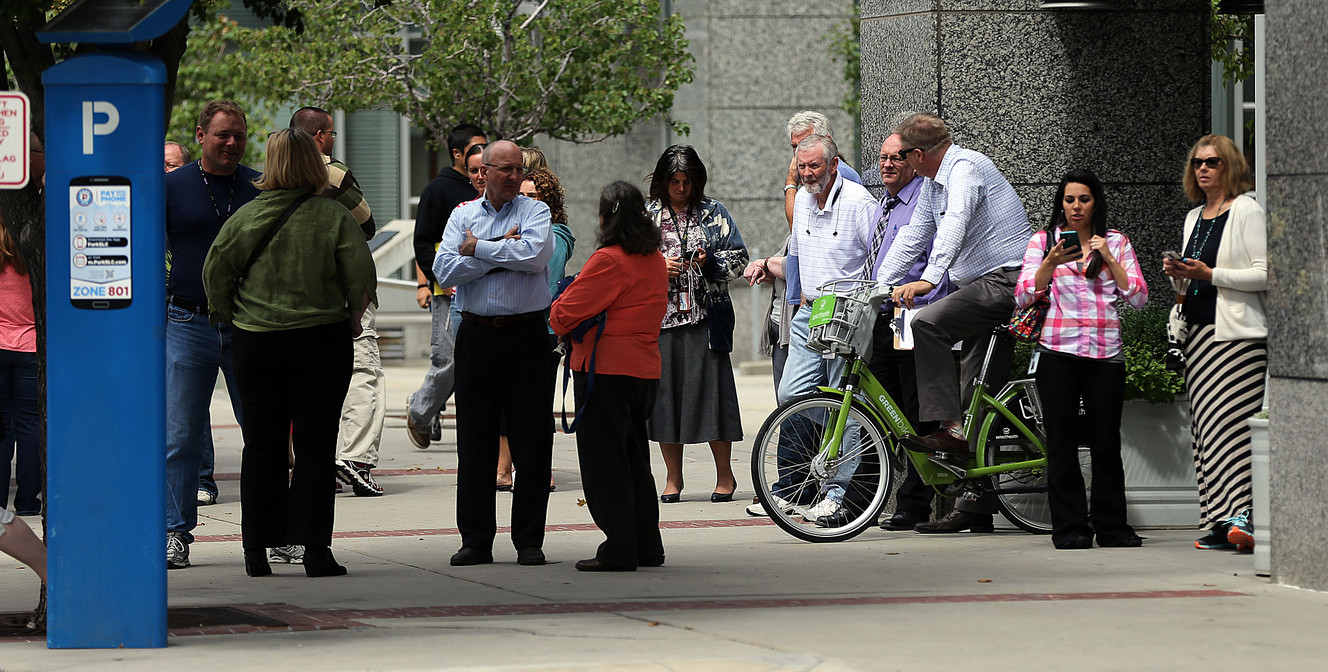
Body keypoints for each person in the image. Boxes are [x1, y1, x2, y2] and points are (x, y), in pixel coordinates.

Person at [203, 127, 377, 578]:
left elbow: (214, 273)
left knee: (262, 446)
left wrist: (229, 314)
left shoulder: (245, 217)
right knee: (316, 446)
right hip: (320, 340)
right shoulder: (334, 216)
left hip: (256, 342)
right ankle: (316, 550)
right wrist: (353, 317)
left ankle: (256, 551)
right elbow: (361, 275)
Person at [877, 112, 1031, 534]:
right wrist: (874, 286)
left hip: (1005, 279)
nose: (903, 165)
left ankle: (949, 427)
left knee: (927, 323)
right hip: (981, 286)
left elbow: (956, 224)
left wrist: (929, 279)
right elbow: (913, 235)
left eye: (905, 156)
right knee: (976, 394)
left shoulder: (964, 169)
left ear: (918, 153)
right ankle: (975, 507)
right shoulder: (932, 182)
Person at [434, 140, 555, 568]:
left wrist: (478, 248)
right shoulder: (461, 215)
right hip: (477, 336)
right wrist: (502, 249)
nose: (512, 177)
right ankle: (475, 540)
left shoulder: (535, 212)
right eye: (503, 170)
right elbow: (445, 270)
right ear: (483, 172)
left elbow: (535, 256)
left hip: (527, 337)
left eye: (517, 169)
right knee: (475, 440)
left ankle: (528, 540)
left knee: (532, 441)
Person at [1015, 169, 1148, 549]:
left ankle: (1112, 527)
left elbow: (1138, 296)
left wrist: (1108, 257)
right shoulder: (1043, 242)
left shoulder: (1117, 243)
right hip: (1058, 353)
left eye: (1084, 200)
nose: (1076, 207)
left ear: (1096, 203)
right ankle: (1070, 528)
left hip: (1106, 355)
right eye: (1070, 199)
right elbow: (1023, 295)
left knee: (1106, 442)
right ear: (1061, 202)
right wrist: (1051, 263)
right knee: (1061, 442)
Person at [746, 134, 876, 520]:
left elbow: (878, 260)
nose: (806, 174)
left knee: (842, 400)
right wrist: (786, 286)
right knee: (791, 393)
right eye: (801, 167)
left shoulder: (859, 203)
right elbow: (798, 256)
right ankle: (860, 430)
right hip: (809, 310)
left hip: (846, 310)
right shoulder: (802, 200)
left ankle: (836, 494)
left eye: (814, 166)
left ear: (833, 166)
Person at [550, 181, 668, 571]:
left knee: (605, 464)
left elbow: (563, 314)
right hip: (643, 370)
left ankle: (619, 546)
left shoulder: (608, 260)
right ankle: (645, 544)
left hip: (604, 370)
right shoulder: (653, 258)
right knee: (634, 458)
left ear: (605, 218)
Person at [164, 100, 260, 568]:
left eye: (238, 135)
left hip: (249, 324)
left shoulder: (260, 186)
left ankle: (271, 531)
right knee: (180, 435)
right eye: (222, 134)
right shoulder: (172, 187)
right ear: (200, 135)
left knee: (261, 432)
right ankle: (174, 532)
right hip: (187, 321)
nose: (231, 143)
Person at [1163, 135, 1267, 552]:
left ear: (1230, 167)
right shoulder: (1194, 217)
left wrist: (1212, 274)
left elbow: (1265, 274)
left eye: (1213, 163)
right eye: (1197, 164)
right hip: (1200, 335)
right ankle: (1220, 520)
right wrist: (1180, 273)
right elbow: (1194, 279)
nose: (1203, 169)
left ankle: (1245, 519)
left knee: (1231, 430)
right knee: (1206, 433)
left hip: (1238, 338)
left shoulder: (1247, 210)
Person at [289, 106, 385, 499]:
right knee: (363, 369)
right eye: (330, 133)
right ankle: (355, 457)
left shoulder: (269, 177)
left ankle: (313, 462)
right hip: (343, 288)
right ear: (318, 136)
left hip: (292, 293)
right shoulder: (334, 172)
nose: (333, 140)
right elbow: (367, 224)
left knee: (306, 380)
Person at [644, 145, 748, 504]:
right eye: (675, 181)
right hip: (660, 322)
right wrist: (658, 267)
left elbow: (740, 260)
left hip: (706, 319)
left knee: (713, 399)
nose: (681, 188)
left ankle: (725, 476)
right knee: (665, 400)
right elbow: (627, 263)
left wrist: (709, 262)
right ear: (662, 181)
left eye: (688, 181)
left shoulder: (713, 212)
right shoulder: (647, 216)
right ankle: (674, 479)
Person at [866, 133, 952, 531]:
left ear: (914, 161)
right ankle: (892, 495)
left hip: (911, 316)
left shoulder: (922, 200)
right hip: (882, 318)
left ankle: (915, 504)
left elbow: (933, 260)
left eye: (897, 158)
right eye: (882, 157)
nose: (887, 164)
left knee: (916, 413)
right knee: (887, 411)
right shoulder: (886, 204)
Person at [408, 124, 488, 449]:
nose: (482, 174)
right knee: (448, 359)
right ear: (458, 156)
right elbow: (422, 243)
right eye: (474, 168)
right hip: (447, 293)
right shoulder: (439, 191)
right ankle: (421, 408)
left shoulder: (498, 195)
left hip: (483, 293)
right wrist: (433, 281)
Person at [496, 168, 573, 492]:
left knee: (537, 403)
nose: (525, 201)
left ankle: (540, 469)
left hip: (542, 330)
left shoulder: (556, 233)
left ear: (548, 202)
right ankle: (503, 469)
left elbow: (543, 279)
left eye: (533, 196)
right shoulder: (510, 227)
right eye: (522, 195)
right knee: (506, 399)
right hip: (510, 325)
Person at [0, 218, 40, 516]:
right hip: (31, 347)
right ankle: (27, 500)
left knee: (2, 428)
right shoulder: (35, 253)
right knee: (30, 426)